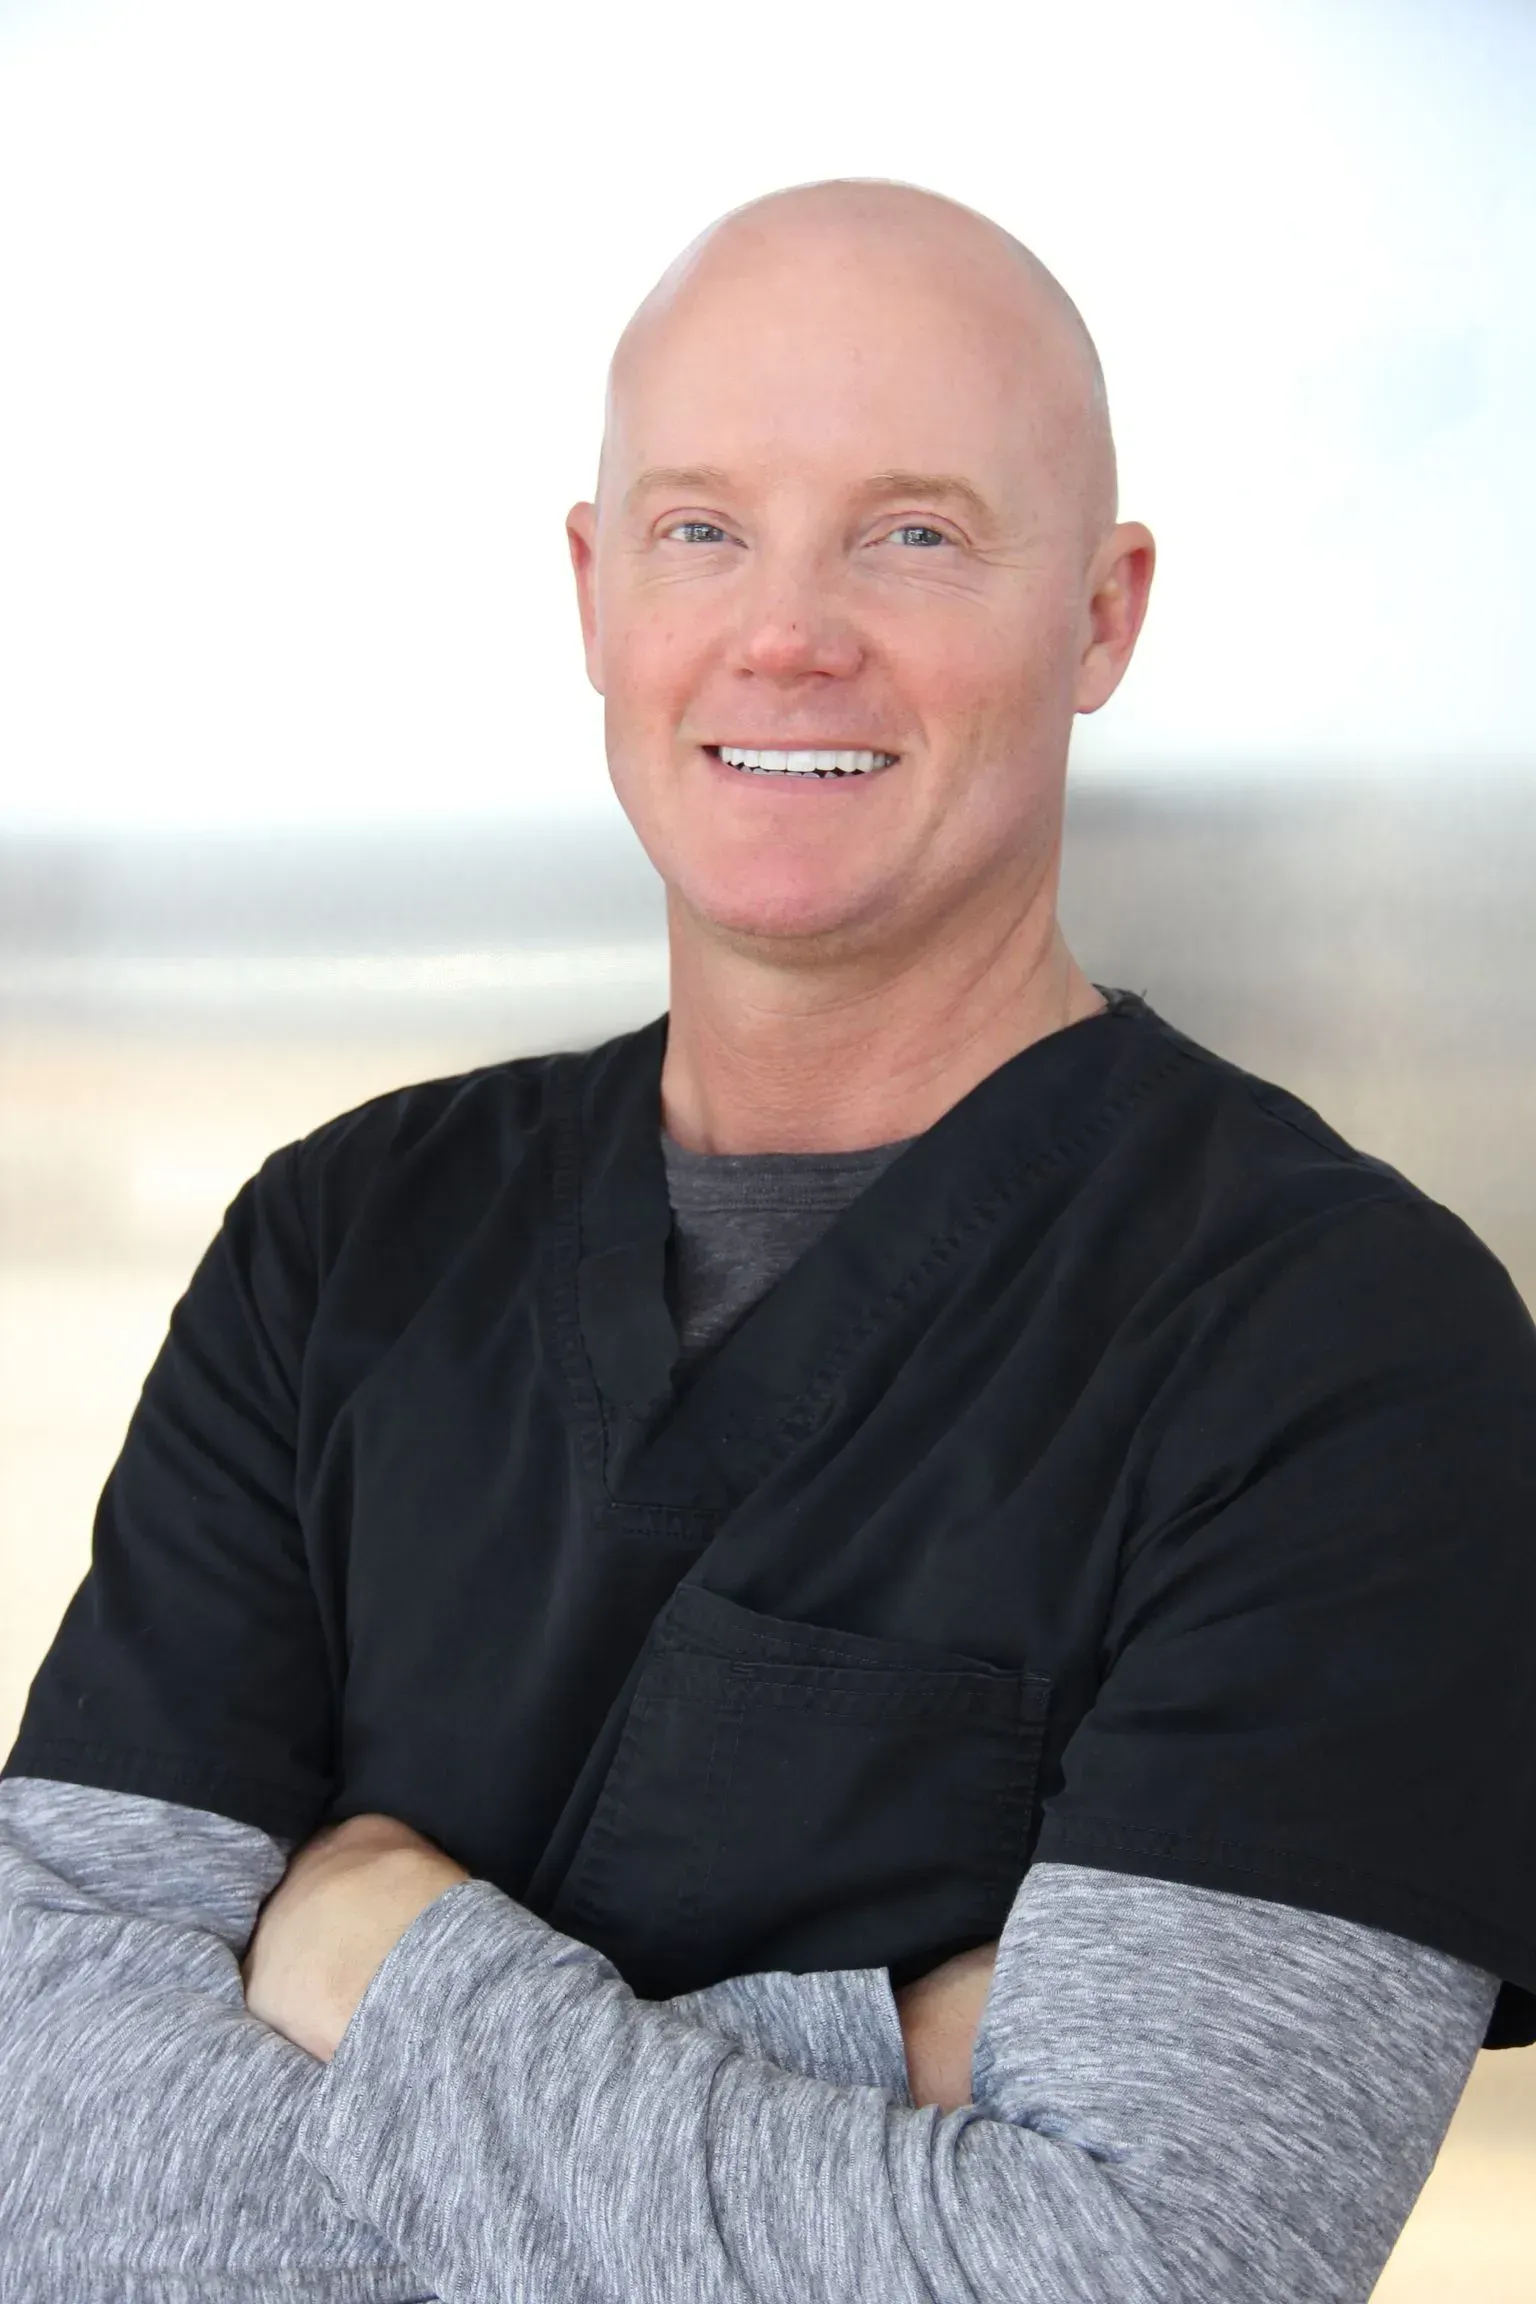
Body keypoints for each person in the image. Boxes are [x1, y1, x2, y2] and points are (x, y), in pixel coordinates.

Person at [2, 175, 1534, 2304]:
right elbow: (32, 2143)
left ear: (1103, 614)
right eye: (703, 527)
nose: (789, 629)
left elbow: (1148, 2275)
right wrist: (863, 2053)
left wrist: (375, 1954)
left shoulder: (1350, 1362)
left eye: (913, 532)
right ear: (593, 590)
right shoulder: (338, 1246)